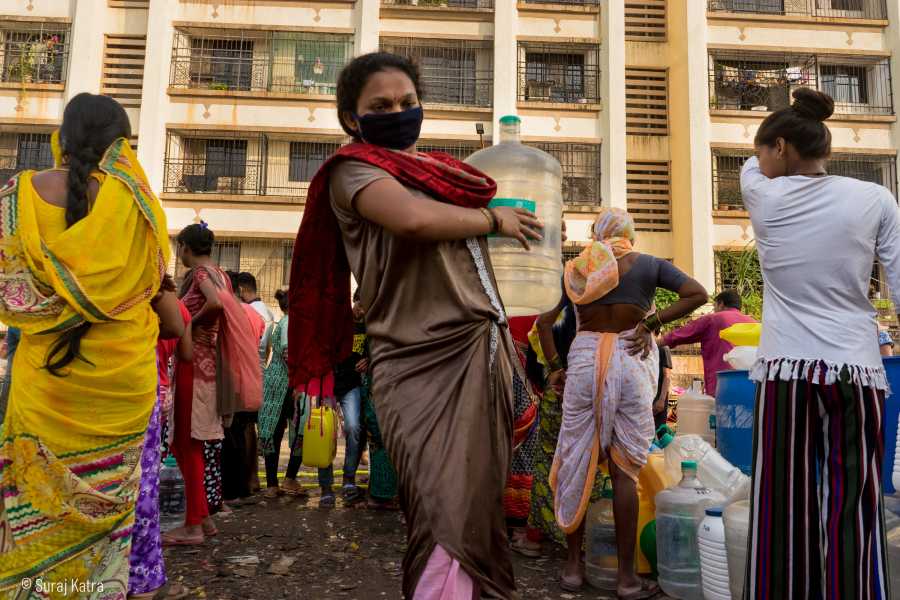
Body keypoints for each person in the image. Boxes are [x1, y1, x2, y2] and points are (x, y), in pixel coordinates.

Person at [287, 52, 542, 598]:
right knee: (439, 510)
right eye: (381, 105)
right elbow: (412, 220)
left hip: (477, 349)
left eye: (407, 102)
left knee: (476, 510)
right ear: (353, 119)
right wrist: (494, 219)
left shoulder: (439, 172)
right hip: (411, 359)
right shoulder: (353, 171)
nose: (397, 112)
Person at [0, 93, 170, 595]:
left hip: (45, 385)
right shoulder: (138, 207)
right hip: (123, 385)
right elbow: (157, 286)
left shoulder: (16, 197)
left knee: (34, 508)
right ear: (123, 144)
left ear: (63, 139)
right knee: (109, 527)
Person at [740, 88, 899, 599]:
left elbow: (754, 162)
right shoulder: (875, 198)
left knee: (780, 505)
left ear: (781, 146)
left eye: (765, 149)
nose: (759, 159)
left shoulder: (760, 194)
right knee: (855, 504)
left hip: (786, 372)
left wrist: (786, 114)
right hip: (858, 371)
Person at [552, 208, 707, 596]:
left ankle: (573, 569)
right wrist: (652, 325)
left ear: (598, 233)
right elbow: (698, 293)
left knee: (577, 460)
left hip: (585, 358)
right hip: (632, 356)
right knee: (625, 470)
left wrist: (556, 366)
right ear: (629, 234)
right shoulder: (650, 264)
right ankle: (625, 579)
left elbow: (546, 321)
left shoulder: (579, 269)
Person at [659, 289, 757, 396]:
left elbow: (679, 335)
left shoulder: (713, 319)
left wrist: (653, 343)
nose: (714, 310)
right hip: (751, 385)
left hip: (722, 385)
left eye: (714, 306)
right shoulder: (753, 323)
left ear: (721, 304)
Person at [221, 271, 265, 504]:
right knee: (245, 432)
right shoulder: (254, 314)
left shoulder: (228, 311)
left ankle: (233, 490)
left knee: (230, 435)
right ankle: (248, 483)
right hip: (252, 378)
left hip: (232, 379)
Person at [258, 289, 307, 498]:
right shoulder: (289, 323)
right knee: (296, 431)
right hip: (285, 384)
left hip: (276, 383)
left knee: (274, 432)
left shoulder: (286, 321)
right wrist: (298, 383)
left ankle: (274, 483)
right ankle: (287, 479)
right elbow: (289, 355)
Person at [328, 297, 368, 506]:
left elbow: (377, 349)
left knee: (354, 428)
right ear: (354, 300)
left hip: (352, 386)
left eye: (366, 307)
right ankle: (326, 487)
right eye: (360, 305)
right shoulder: (339, 322)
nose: (362, 311)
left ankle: (348, 479)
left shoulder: (371, 326)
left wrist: (369, 359)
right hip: (329, 383)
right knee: (323, 432)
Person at [238, 271, 275, 367]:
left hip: (246, 367)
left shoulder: (245, 311)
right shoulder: (269, 312)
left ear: (240, 290)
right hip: (261, 367)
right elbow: (268, 348)